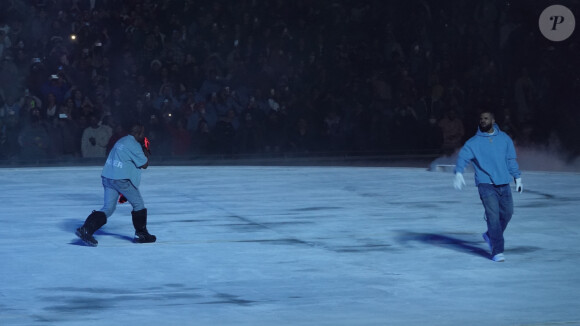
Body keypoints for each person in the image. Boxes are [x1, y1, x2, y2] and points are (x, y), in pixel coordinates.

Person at [453, 110, 522, 262]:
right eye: (481, 119)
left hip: (504, 183)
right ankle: (497, 250)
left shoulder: (504, 139)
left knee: (508, 214)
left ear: (493, 120)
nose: (483, 121)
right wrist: (458, 173)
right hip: (485, 184)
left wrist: (517, 177)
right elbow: (463, 157)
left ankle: (490, 235)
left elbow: (511, 159)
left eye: (486, 118)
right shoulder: (473, 142)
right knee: (493, 217)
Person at [75, 121, 156, 246]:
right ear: (137, 133)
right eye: (142, 133)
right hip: (121, 179)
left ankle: (86, 229)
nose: (143, 135)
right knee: (138, 204)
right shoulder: (134, 145)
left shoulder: (122, 140)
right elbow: (144, 164)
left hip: (108, 176)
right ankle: (141, 234)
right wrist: (145, 149)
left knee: (108, 208)